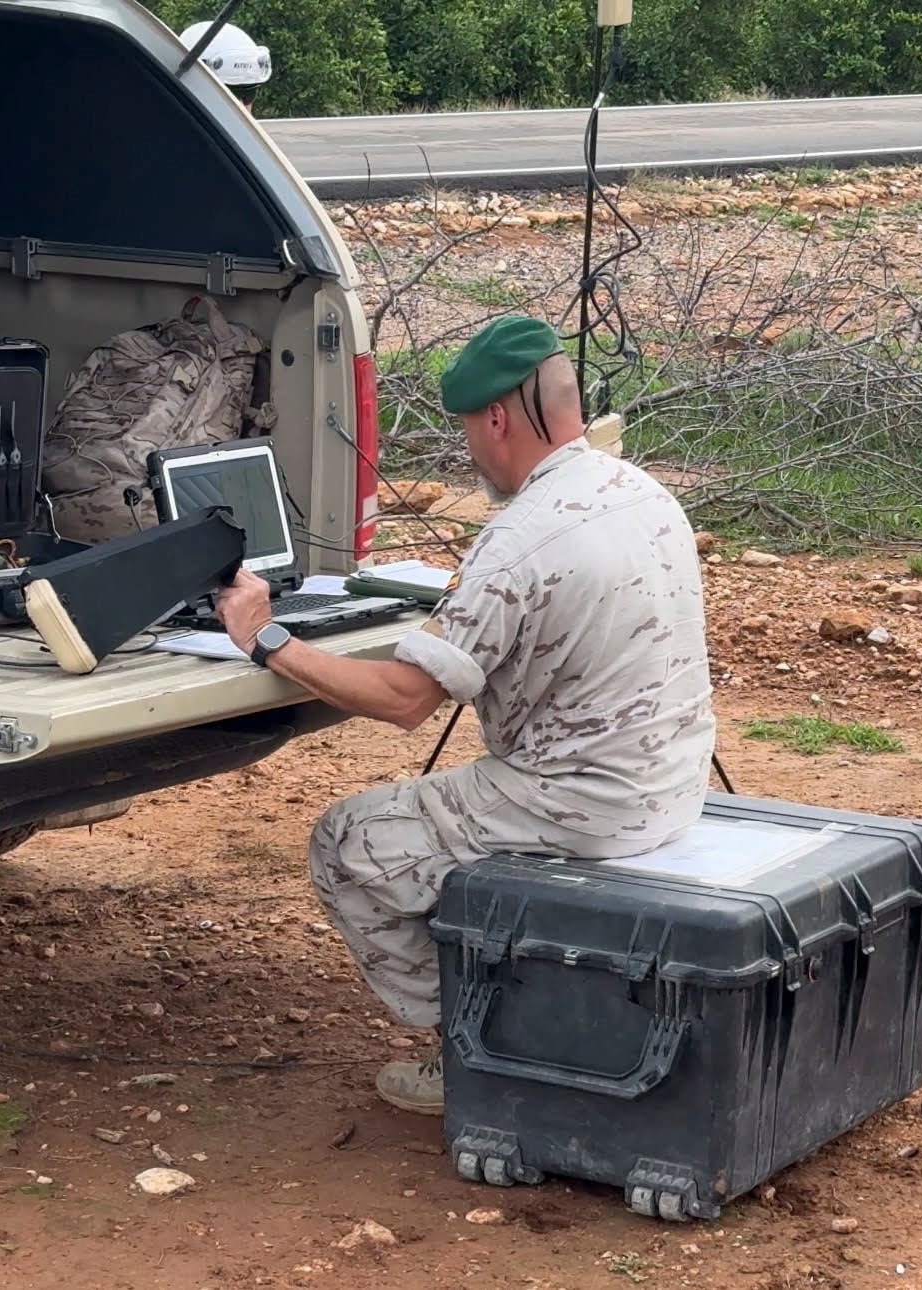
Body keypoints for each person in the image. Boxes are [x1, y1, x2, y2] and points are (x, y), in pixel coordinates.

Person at [213, 315, 717, 1114]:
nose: (471, 454)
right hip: (671, 785)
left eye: (467, 433)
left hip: (579, 805)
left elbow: (404, 702)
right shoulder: (641, 491)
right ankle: (510, 1018)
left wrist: (263, 636)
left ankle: (481, 1049)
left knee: (347, 841)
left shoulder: (520, 537)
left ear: (496, 419)